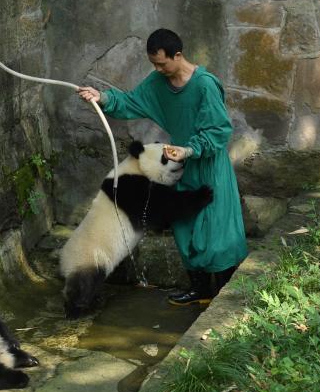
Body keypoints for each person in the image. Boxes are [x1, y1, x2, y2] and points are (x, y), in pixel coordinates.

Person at [77, 28, 248, 306]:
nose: (157, 69)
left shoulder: (205, 85)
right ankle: (200, 290)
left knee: (217, 232)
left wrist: (189, 149)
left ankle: (224, 298)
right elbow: (131, 101)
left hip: (210, 166)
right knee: (184, 226)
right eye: (153, 64)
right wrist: (103, 98)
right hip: (181, 168)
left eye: (161, 63)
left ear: (177, 55)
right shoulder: (158, 82)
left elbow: (218, 130)